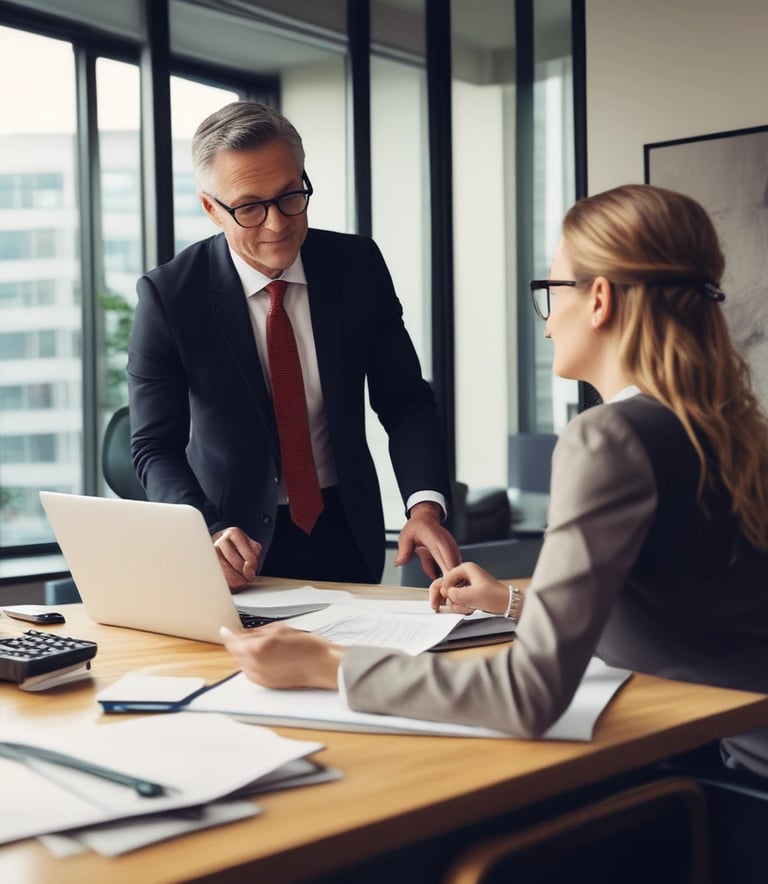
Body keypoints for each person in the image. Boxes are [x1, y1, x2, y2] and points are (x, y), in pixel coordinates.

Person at [221, 183, 768, 780]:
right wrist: (510, 601)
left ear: (601, 300)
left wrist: (328, 664)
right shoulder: (737, 427)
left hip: (727, 780)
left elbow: (527, 695)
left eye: (551, 290)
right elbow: (690, 614)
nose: (549, 322)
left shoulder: (611, 439)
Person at [127, 101, 460, 589]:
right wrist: (206, 528)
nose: (277, 224)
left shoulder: (357, 265)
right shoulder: (170, 297)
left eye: (289, 196)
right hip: (233, 541)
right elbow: (154, 446)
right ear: (210, 208)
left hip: (347, 527)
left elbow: (405, 398)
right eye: (248, 207)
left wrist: (424, 505)